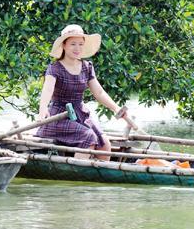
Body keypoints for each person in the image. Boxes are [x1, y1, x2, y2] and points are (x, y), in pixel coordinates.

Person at [37, 24, 130, 161]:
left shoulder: (87, 67)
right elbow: (47, 90)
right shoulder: (55, 68)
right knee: (88, 137)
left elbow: (99, 92)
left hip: (80, 113)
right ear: (64, 45)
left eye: (81, 44)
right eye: (73, 44)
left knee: (104, 143)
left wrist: (116, 108)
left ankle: (102, 178)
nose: (77, 48)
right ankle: (76, 175)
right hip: (59, 116)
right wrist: (43, 109)